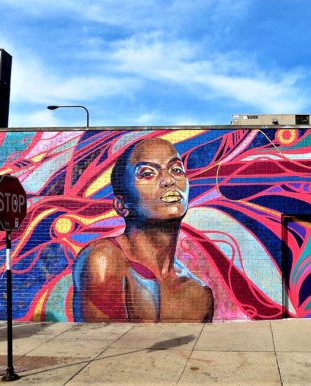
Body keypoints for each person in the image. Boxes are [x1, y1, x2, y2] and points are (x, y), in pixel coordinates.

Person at [72, 137, 214, 322]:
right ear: (122, 205)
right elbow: (101, 345)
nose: (169, 180)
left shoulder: (199, 294)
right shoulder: (104, 259)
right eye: (147, 173)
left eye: (176, 170)